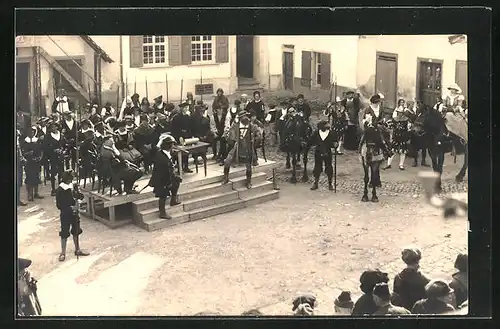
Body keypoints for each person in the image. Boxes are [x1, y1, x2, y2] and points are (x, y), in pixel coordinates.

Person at [221, 111, 262, 189]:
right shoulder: (235, 126)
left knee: (248, 166)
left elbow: (258, 134)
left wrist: (256, 140)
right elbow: (230, 137)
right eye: (242, 117)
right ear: (240, 119)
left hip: (247, 148)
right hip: (237, 147)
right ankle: (226, 178)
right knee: (227, 161)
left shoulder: (252, 126)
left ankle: (248, 181)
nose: (245, 118)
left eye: (245, 116)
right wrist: (230, 138)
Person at [55, 169, 90, 261]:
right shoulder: (60, 190)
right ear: (67, 179)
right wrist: (71, 208)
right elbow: (59, 205)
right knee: (64, 233)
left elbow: (79, 196)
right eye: (71, 178)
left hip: (74, 214)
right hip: (65, 214)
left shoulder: (73, 186)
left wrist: (78, 193)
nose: (72, 180)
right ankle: (63, 253)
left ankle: (77, 249)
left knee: (76, 231)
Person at [148, 134, 182, 219]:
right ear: (168, 145)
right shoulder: (161, 157)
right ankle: (162, 213)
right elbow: (165, 172)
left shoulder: (165, 153)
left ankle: (173, 200)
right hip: (161, 180)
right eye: (171, 144)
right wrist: (169, 182)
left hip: (167, 177)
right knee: (162, 195)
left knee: (177, 182)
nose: (173, 146)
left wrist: (174, 177)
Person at [392, 247, 431, 311]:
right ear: (418, 260)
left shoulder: (398, 277)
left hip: (403, 311)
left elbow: (395, 296)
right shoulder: (424, 279)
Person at [307, 120, 336, 191]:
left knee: (329, 168)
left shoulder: (331, 133)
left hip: (328, 152)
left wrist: (335, 145)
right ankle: (315, 183)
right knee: (317, 168)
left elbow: (335, 141)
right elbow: (311, 141)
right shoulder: (316, 133)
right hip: (318, 152)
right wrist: (308, 145)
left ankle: (330, 184)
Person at [384, 99, 411, 170]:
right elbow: (390, 126)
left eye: (401, 113)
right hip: (395, 136)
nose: (400, 114)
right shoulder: (395, 119)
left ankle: (401, 165)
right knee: (392, 150)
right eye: (399, 112)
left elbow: (408, 129)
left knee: (403, 151)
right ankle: (388, 164)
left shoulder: (406, 120)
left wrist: (407, 134)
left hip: (403, 136)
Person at [43, 121, 66, 196]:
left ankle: (60, 188)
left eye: (54, 126)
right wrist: (53, 150)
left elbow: (65, 144)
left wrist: (63, 150)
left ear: (57, 127)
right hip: (53, 156)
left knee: (61, 172)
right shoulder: (48, 136)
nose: (53, 128)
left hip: (61, 156)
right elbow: (45, 147)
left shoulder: (61, 135)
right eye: (51, 127)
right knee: (53, 173)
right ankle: (53, 189)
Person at [170, 102, 193, 173]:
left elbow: (190, 128)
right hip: (178, 137)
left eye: (187, 108)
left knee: (186, 152)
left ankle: (186, 166)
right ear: (182, 108)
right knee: (179, 152)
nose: (186, 109)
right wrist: (179, 136)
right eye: (185, 108)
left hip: (187, 137)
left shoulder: (188, 117)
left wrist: (190, 136)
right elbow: (173, 129)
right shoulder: (176, 118)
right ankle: (179, 167)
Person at [17, 129, 27, 206]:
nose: (18, 137)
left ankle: (17, 199)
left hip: (18, 165)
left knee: (18, 183)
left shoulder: (18, 144)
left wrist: (22, 158)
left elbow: (19, 151)